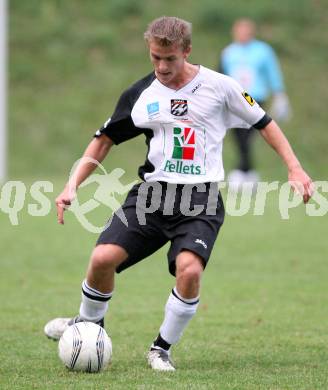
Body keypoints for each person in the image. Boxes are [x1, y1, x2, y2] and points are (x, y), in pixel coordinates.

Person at [44, 16, 313, 371]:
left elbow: (264, 122)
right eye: (155, 57)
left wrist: (294, 167)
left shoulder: (221, 86)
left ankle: (160, 348)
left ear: (186, 51)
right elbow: (104, 139)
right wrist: (71, 184)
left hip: (199, 199)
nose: (161, 66)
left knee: (189, 271)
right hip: (151, 196)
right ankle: (88, 325)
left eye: (169, 58)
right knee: (102, 259)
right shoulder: (140, 94)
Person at [219, 18, 291, 190]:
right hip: (234, 99)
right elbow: (221, 75)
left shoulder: (262, 51)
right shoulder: (229, 52)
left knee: (248, 134)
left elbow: (272, 72)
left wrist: (279, 94)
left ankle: (242, 171)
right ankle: (246, 171)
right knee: (238, 136)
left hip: (253, 98)